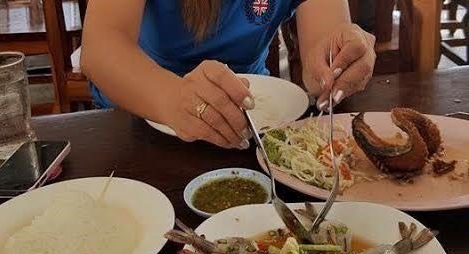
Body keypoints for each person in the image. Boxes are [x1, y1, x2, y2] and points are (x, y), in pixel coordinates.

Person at [81, 0, 376, 150]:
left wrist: (335, 65)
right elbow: (100, 47)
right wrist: (174, 98)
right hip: (140, 122)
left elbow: (322, 55)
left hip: (255, 125)